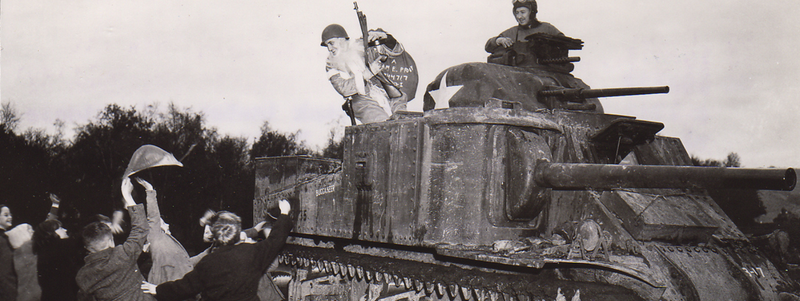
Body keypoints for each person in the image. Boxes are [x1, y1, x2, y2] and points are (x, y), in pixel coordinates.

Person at [141, 199, 293, 301]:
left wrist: (157, 290)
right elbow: (275, 240)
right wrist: (284, 214)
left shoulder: (207, 263)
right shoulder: (252, 252)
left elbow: (183, 287)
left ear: (214, 236)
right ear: (237, 232)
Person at [75, 177, 155, 301]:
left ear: (87, 247)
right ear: (111, 241)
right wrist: (128, 196)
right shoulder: (122, 255)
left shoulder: (82, 277)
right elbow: (141, 228)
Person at [322, 24, 415, 124]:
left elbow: (395, 50)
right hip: (362, 102)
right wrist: (368, 73)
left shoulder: (361, 44)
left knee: (403, 120)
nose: (329, 48)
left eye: (331, 43)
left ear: (341, 39)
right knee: (384, 125)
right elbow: (343, 88)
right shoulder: (330, 64)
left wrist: (382, 36)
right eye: (327, 45)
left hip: (385, 92)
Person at [33, 193, 83, 301]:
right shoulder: (59, 248)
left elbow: (47, 226)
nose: (65, 230)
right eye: (60, 228)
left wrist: (55, 205)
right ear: (52, 235)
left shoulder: (45, 248)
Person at [485, 0, 564, 65]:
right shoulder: (513, 32)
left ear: (531, 13)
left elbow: (564, 42)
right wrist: (499, 40)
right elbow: (488, 47)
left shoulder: (547, 28)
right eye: (517, 13)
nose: (519, 17)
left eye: (523, 12)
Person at [0, 204, 18, 301]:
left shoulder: (6, 237)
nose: (10, 217)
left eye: (10, 214)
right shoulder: (2, 240)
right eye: (6, 215)